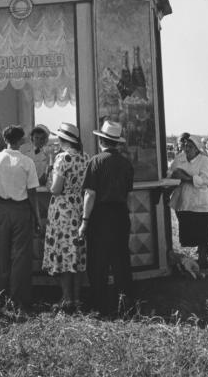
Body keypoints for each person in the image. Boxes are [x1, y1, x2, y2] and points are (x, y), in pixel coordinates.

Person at [0, 124, 41, 309]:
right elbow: (32, 193)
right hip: (21, 209)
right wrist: (37, 218)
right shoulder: (27, 162)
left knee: (1, 253)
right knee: (21, 256)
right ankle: (18, 299)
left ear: (4, 139)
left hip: (1, 209)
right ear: (22, 140)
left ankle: (0, 296)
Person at [79, 120, 134, 315]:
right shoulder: (126, 163)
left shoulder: (96, 161)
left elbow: (90, 194)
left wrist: (84, 221)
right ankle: (125, 303)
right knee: (121, 261)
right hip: (120, 214)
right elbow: (128, 194)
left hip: (100, 216)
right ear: (117, 142)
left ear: (102, 140)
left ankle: (99, 305)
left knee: (98, 262)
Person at [42, 122, 89, 310]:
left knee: (63, 253)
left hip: (62, 209)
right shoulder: (85, 157)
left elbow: (56, 189)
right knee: (76, 254)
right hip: (79, 206)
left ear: (63, 140)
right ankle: (77, 298)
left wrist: (48, 181)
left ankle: (66, 298)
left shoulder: (63, 158)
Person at [168, 134, 208, 268]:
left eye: (190, 147)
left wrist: (185, 177)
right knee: (189, 230)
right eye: (186, 146)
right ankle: (193, 258)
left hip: (200, 202)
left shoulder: (204, 160)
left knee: (203, 231)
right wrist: (174, 175)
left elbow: (204, 180)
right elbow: (170, 172)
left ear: (197, 149)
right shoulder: (179, 158)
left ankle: (203, 258)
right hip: (184, 200)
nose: (187, 149)